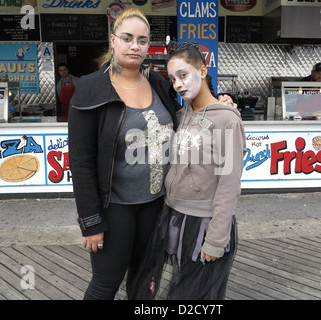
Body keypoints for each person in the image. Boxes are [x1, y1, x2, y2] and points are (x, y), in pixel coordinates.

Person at [68, 9, 235, 300]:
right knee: (105, 283)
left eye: (142, 40)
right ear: (113, 41)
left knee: (146, 281)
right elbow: (81, 163)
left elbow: (193, 109)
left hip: (156, 206)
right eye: (128, 38)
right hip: (114, 206)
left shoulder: (159, 83)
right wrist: (90, 221)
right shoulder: (90, 88)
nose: (135, 46)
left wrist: (222, 103)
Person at [132, 41, 246, 300]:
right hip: (174, 216)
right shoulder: (182, 114)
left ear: (203, 71)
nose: (178, 84)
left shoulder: (227, 119)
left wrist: (216, 238)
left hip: (204, 223)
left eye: (183, 75)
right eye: (173, 79)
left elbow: (229, 183)